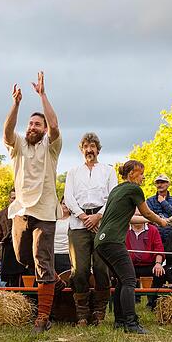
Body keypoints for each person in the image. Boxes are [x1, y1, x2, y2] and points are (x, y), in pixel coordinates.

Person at [3, 71, 62, 333]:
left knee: (42, 260)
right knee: (22, 256)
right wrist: (16, 104)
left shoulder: (51, 146)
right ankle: (54, 279)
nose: (32, 127)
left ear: (44, 130)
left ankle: (43, 317)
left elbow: (56, 126)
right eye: (30, 124)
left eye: (37, 124)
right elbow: (7, 130)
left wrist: (42, 94)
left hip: (46, 211)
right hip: (21, 211)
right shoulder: (18, 145)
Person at [94, 160, 169, 334]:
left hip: (101, 241)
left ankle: (120, 321)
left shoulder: (116, 190)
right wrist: (161, 221)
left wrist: (151, 221)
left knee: (122, 279)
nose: (143, 177)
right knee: (129, 279)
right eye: (141, 173)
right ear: (131, 174)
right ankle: (131, 323)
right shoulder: (134, 189)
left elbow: (131, 218)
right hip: (113, 241)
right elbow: (147, 211)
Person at [63, 132, 117, 326]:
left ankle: (99, 312)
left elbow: (113, 197)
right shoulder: (73, 172)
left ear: (98, 150)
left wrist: (98, 216)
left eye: (93, 146)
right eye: (86, 146)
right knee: (79, 269)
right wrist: (84, 216)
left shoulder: (108, 171)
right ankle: (82, 314)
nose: (89, 150)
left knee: (102, 268)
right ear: (81, 149)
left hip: (102, 223)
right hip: (78, 223)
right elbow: (68, 197)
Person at [125, 218, 165, 310]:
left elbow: (159, 248)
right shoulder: (124, 229)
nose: (138, 218)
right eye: (136, 215)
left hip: (149, 265)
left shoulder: (153, 230)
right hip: (129, 265)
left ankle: (153, 303)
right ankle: (128, 304)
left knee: (160, 273)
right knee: (119, 274)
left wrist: (158, 263)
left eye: (140, 215)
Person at [0, 189, 26, 287]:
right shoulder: (1, 215)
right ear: (9, 199)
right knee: (7, 280)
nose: (15, 200)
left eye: (17, 198)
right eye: (13, 198)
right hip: (7, 251)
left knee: (23, 278)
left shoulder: (26, 214)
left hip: (23, 251)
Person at [54, 199, 71, 274]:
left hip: (67, 255)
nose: (65, 206)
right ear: (60, 204)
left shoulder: (73, 221)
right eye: (64, 203)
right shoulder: (53, 220)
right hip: (52, 254)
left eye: (68, 204)